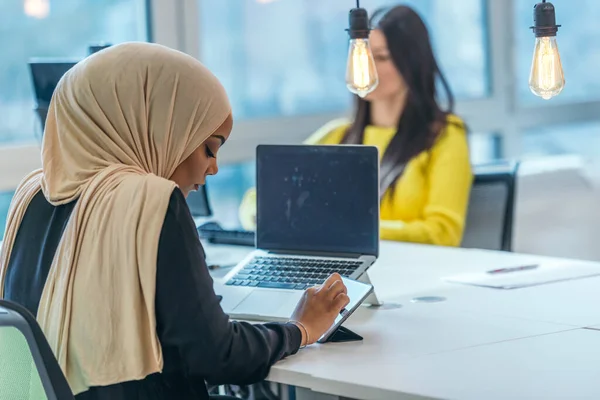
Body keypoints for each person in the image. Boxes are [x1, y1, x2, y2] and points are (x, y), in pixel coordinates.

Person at [0, 42, 349, 400]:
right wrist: (300, 328)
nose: (213, 167)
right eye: (209, 148)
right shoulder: (150, 202)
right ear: (162, 128)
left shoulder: (30, 196)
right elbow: (219, 355)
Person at [239, 5, 473, 247]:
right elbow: (257, 199)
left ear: (412, 64)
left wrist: (343, 228)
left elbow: (442, 232)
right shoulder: (337, 135)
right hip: (337, 271)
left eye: (381, 57)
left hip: (413, 268)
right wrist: (268, 217)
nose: (369, 66)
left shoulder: (445, 135)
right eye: (364, 55)